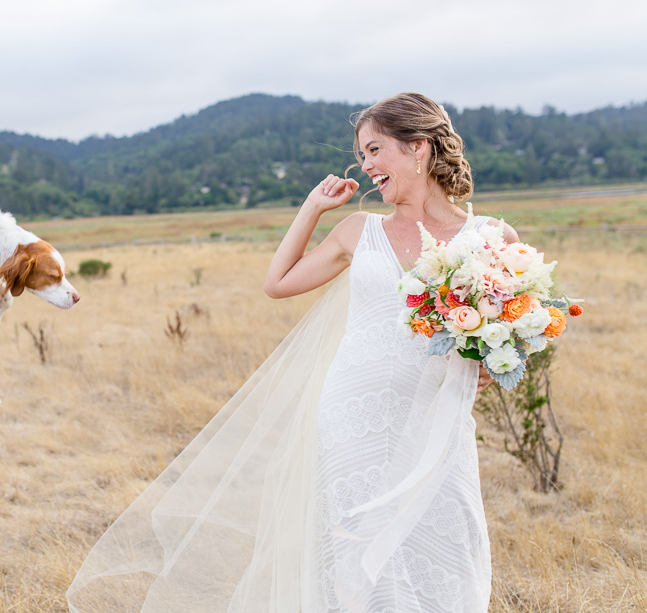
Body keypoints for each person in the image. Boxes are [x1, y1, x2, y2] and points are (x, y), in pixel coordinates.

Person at [67, 93, 516, 612]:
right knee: (352, 550)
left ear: (418, 148)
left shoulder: (491, 237)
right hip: (351, 419)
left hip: (434, 418)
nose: (366, 166)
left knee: (447, 535)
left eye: (374, 150)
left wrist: (491, 365)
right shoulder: (358, 232)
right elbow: (277, 283)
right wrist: (314, 208)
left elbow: (510, 330)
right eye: (362, 154)